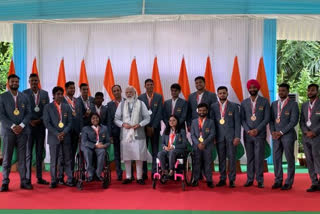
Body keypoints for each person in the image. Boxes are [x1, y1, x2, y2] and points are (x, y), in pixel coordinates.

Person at [0, 74, 32, 192]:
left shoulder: (24, 97)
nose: (15, 83)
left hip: (23, 132)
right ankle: (5, 182)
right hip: (8, 132)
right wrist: (13, 126)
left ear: (19, 83)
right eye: (12, 81)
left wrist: (22, 126)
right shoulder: (2, 97)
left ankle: (23, 181)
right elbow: (1, 115)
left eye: (17, 82)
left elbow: (29, 113)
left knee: (22, 158)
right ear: (8, 83)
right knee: (7, 158)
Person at [115, 86, 150, 185]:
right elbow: (116, 119)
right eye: (127, 92)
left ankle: (139, 177)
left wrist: (139, 124)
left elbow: (147, 118)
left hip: (138, 133)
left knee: (139, 157)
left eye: (131, 92)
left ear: (135, 93)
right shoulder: (121, 104)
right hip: (126, 135)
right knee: (127, 156)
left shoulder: (141, 103)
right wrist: (123, 124)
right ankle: (128, 177)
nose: (129, 94)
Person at [240, 79, 270, 188]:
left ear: (258, 88)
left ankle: (260, 180)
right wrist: (248, 130)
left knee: (259, 157)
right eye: (250, 87)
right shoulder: (244, 102)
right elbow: (242, 119)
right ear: (248, 89)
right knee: (250, 157)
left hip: (259, 134)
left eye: (254, 87)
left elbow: (266, 118)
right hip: (247, 134)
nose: (252, 89)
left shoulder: (264, 101)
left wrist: (257, 130)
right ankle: (249, 179)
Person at [43, 86, 74, 188]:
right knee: (54, 160)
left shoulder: (66, 106)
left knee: (67, 159)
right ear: (53, 95)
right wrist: (57, 133)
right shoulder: (48, 107)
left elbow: (70, 122)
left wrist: (63, 133)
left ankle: (69, 179)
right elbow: (47, 123)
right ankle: (53, 180)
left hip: (66, 136)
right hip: (53, 137)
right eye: (58, 94)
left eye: (61, 94)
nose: (60, 96)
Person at [270, 83, 299, 190]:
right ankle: (278, 180)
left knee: (289, 158)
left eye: (283, 90)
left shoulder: (293, 104)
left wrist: (281, 132)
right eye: (280, 90)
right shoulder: (273, 104)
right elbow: (271, 120)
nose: (281, 92)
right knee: (276, 159)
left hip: (288, 136)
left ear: (287, 92)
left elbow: (293, 121)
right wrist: (273, 132)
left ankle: (288, 182)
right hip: (275, 136)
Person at [210, 86, 240, 188]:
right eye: (220, 93)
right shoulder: (213, 106)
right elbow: (212, 123)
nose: (222, 95)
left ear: (227, 94)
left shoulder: (234, 106)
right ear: (217, 94)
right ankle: (222, 178)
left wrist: (237, 136)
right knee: (221, 159)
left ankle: (232, 180)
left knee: (232, 159)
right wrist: (213, 136)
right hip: (218, 137)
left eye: (224, 93)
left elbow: (237, 122)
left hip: (231, 137)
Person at [23, 73, 50, 185]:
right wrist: (29, 121)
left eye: (36, 81)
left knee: (39, 153)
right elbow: (22, 110)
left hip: (40, 127)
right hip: (29, 127)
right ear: (29, 82)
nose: (34, 83)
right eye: (32, 81)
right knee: (28, 153)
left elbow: (47, 110)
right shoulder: (24, 93)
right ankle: (28, 178)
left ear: (38, 81)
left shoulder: (44, 94)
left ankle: (39, 177)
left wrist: (40, 120)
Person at [59, 81, 83, 184]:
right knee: (63, 155)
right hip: (65, 132)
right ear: (66, 89)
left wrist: (81, 131)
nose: (72, 90)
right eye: (70, 88)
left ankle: (71, 176)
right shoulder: (62, 100)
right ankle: (60, 177)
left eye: (73, 88)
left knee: (72, 154)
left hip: (75, 132)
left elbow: (80, 117)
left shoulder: (78, 101)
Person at [138, 79, 163, 180]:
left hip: (155, 129)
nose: (149, 86)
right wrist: (146, 126)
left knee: (155, 151)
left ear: (154, 86)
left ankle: (154, 171)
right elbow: (139, 114)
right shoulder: (140, 98)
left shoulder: (158, 97)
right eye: (147, 85)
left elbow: (159, 113)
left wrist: (153, 126)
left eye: (151, 84)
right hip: (143, 129)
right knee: (143, 151)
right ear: (145, 86)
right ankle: (144, 173)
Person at [300, 83, 320, 192]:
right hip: (306, 137)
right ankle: (314, 182)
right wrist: (305, 131)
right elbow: (302, 121)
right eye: (309, 90)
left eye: (312, 90)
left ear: (317, 92)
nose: (310, 92)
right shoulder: (304, 105)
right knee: (309, 159)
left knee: (318, 158)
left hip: (317, 136)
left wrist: (314, 131)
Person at [191, 103, 215, 188]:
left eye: (204, 110)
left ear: (207, 111)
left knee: (208, 164)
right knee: (196, 163)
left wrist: (204, 143)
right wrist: (198, 144)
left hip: (207, 146)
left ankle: (209, 180)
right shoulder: (194, 122)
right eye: (200, 110)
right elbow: (192, 135)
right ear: (197, 111)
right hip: (197, 146)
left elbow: (212, 134)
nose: (202, 112)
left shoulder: (211, 122)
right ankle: (196, 180)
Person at [81, 113, 110, 181]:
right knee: (87, 152)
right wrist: (94, 145)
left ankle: (98, 174)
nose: (95, 119)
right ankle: (90, 174)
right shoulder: (85, 129)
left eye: (97, 118)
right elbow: (84, 142)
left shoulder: (104, 128)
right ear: (90, 120)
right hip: (89, 147)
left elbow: (108, 142)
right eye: (93, 118)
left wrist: (104, 145)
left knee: (102, 151)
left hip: (100, 147)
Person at [107, 85, 124, 180]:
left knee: (128, 152)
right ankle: (119, 173)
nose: (116, 92)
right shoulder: (110, 104)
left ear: (121, 91)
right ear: (112, 93)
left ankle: (129, 174)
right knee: (117, 153)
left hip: (127, 132)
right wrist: (110, 135)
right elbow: (109, 121)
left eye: (118, 90)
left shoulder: (127, 101)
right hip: (115, 132)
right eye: (114, 91)